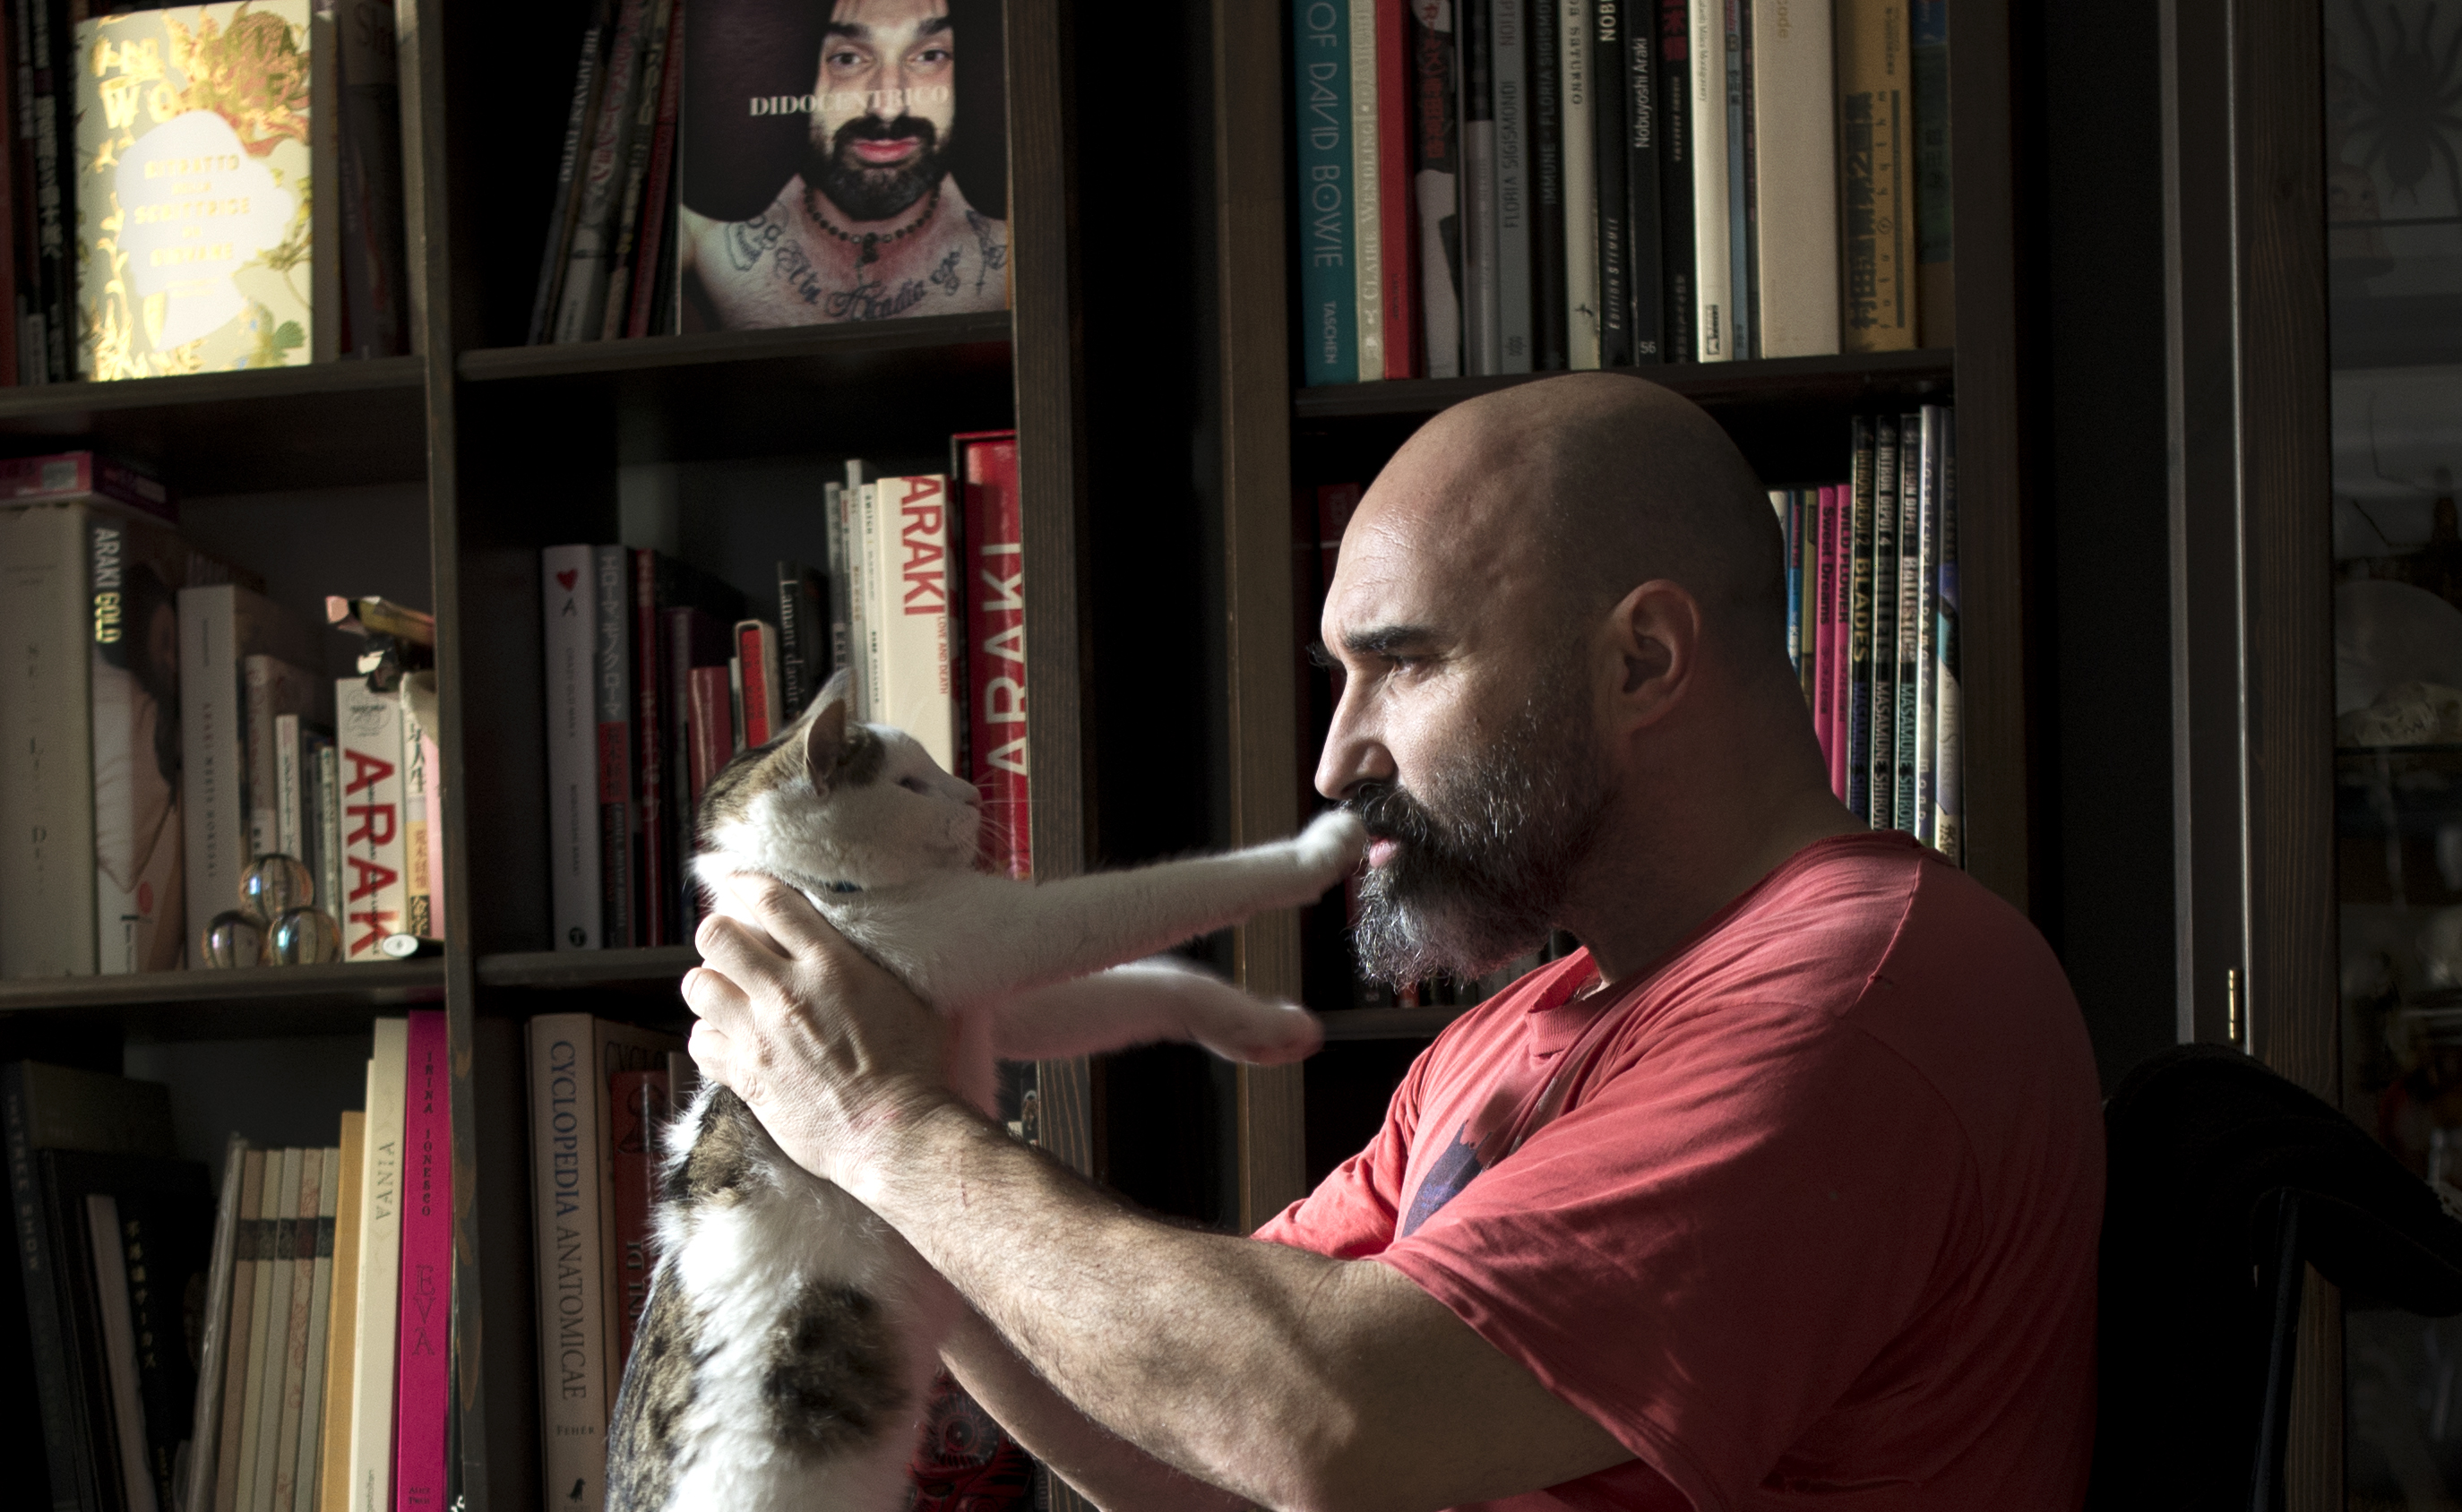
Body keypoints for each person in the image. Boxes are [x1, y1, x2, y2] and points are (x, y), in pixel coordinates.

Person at [683, 373, 2105, 1510]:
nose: (1335, 758)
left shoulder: (1859, 1000)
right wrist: (863, 1133)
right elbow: (1189, 1452)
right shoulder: (1509, 1037)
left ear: (1643, 660)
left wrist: (882, 1122)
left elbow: (1319, 1418)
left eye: (1404, 662)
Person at [680, 0, 1007, 327]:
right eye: (847, 59)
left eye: (930, 56)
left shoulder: (1014, 242)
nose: (887, 108)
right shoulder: (705, 228)